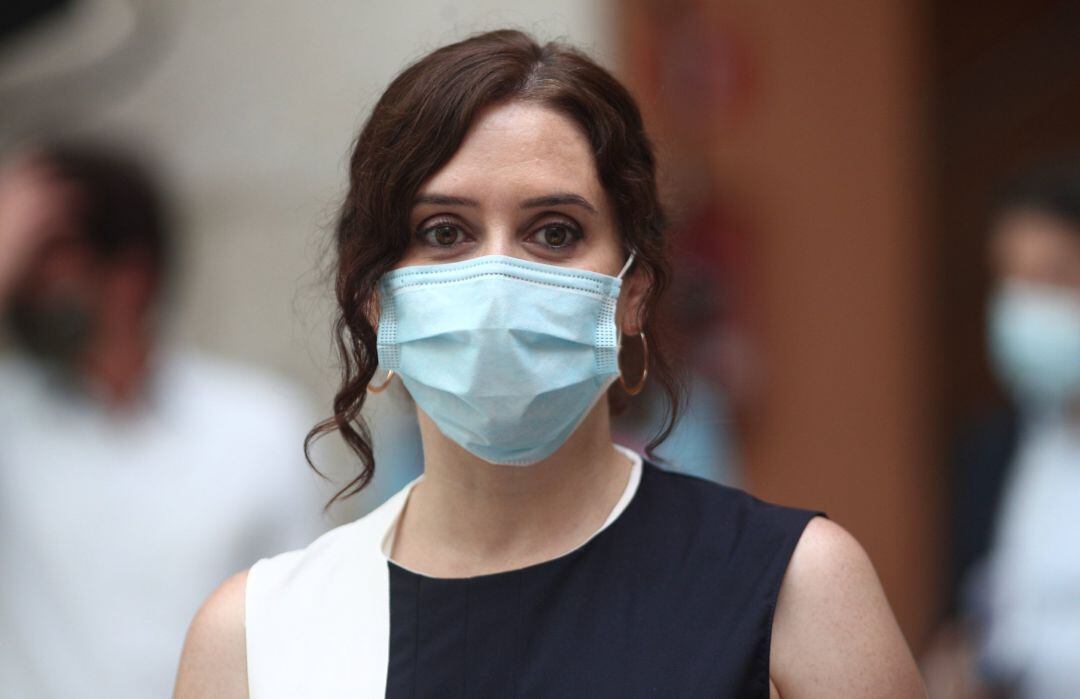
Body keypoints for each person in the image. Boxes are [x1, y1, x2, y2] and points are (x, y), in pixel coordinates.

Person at [175, 30, 924, 698]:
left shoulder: (795, 587)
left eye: (555, 232)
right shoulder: (256, 636)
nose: (497, 281)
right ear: (377, 299)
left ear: (632, 294)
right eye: (444, 232)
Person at [0, 142, 329, 699]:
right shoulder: (9, 416)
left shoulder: (261, 425)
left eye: (48, 250)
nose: (32, 281)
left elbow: (305, 630)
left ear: (132, 275)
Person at [935, 159, 1080, 698]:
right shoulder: (991, 449)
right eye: (1010, 279)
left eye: (1052, 277)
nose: (1026, 307)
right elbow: (960, 623)